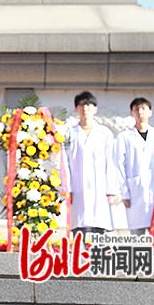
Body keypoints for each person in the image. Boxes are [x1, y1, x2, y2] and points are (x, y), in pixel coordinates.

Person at [116, 97, 154, 254]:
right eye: (136, 109)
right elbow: (119, 166)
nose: (140, 112)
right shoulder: (124, 137)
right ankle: (138, 275)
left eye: (143, 108)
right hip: (135, 193)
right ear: (132, 113)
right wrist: (124, 192)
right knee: (137, 239)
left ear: (150, 112)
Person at [65, 91, 119, 240]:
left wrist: (111, 189)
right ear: (76, 109)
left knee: (100, 223)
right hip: (78, 187)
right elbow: (65, 162)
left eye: (89, 105)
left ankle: (100, 258)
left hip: (99, 187)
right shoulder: (70, 134)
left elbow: (111, 162)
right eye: (81, 105)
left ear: (95, 109)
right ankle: (78, 258)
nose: (85, 109)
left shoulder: (105, 133)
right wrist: (67, 188)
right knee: (78, 224)